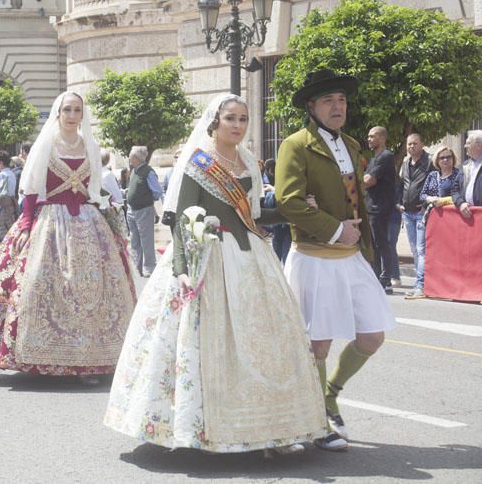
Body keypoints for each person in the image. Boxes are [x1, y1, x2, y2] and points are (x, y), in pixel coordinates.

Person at [105, 94, 326, 456]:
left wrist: (294, 210)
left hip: (251, 257)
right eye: (230, 119)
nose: (237, 125)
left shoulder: (248, 163)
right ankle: (196, 427)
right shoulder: (198, 162)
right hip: (204, 255)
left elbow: (253, 217)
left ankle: (273, 429)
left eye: (243, 119)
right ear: (215, 122)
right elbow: (179, 221)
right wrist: (180, 270)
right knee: (199, 344)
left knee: (263, 344)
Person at [0, 91, 136, 383]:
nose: (73, 115)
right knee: (40, 280)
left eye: (77, 110)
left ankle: (92, 359)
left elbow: (96, 187)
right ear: (58, 113)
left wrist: (107, 216)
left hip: (87, 220)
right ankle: (43, 354)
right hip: (50, 219)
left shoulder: (89, 145)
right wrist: (25, 222)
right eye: (67, 110)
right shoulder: (47, 144)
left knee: (97, 289)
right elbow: (33, 186)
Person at [276, 69, 396, 451]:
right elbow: (289, 201)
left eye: (341, 100)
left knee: (373, 334)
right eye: (328, 101)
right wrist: (333, 228)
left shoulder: (354, 145)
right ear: (312, 107)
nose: (337, 107)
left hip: (352, 255)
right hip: (315, 254)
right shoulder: (295, 145)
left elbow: (355, 197)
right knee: (319, 344)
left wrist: (355, 238)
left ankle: (329, 393)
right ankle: (317, 419)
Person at [407, 146, 460, 299]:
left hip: (449, 221)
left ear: (453, 159)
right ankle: (420, 285)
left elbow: (459, 195)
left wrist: (443, 201)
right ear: (437, 160)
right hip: (428, 217)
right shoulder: (432, 175)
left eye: (448, 157)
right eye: (442, 157)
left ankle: (447, 287)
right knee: (422, 251)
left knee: (447, 253)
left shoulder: (458, 175)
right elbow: (423, 194)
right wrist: (430, 199)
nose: (445, 160)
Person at [396, 133, 433, 296]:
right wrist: (398, 203)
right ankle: (421, 284)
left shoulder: (430, 162)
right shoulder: (405, 163)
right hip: (407, 213)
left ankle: (421, 284)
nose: (411, 147)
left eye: (415, 144)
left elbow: (435, 184)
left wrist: (426, 204)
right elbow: (401, 185)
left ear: (422, 144)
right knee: (415, 249)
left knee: (421, 249)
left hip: (421, 213)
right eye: (409, 144)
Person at [363, 126, 396, 294]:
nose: (369, 139)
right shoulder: (373, 158)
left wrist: (350, 182)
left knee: (382, 243)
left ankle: (386, 279)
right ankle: (376, 277)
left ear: (382, 138)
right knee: (373, 245)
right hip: (370, 206)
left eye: (373, 136)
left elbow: (369, 180)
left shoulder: (386, 156)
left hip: (380, 207)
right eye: (368, 136)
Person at [125, 145, 162, 277]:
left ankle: (150, 267)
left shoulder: (148, 171)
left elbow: (157, 192)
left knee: (146, 240)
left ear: (137, 158)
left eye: (131, 156)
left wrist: (144, 199)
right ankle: (137, 267)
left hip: (144, 210)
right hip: (132, 210)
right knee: (134, 240)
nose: (129, 158)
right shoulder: (134, 170)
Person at [452, 129, 482, 216]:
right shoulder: (465, 165)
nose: (465, 146)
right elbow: (454, 189)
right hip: (468, 216)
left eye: (468, 143)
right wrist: (461, 203)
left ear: (479, 146)